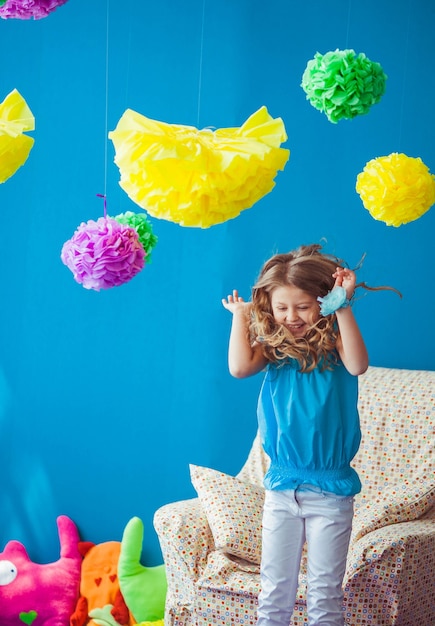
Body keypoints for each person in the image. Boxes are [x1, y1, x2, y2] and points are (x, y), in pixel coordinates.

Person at [222, 243, 384, 626]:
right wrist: (240, 316)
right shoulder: (275, 349)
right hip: (281, 488)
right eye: (281, 308)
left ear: (321, 301)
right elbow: (238, 368)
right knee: (274, 590)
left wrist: (343, 304)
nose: (291, 317)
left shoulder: (336, 345)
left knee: (324, 594)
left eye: (303, 306)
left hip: (330, 494)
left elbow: (359, 365)